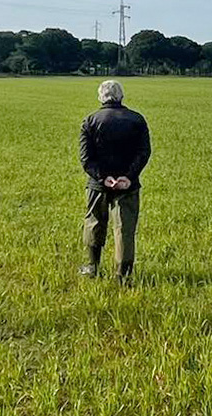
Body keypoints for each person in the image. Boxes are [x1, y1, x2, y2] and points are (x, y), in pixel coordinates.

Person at [79, 80, 151, 281]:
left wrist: (103, 178)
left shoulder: (90, 121)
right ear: (121, 97)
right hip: (128, 184)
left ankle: (92, 267)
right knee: (125, 229)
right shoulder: (137, 120)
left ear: (101, 97)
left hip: (97, 184)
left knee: (94, 223)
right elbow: (144, 152)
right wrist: (128, 177)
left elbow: (86, 158)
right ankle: (123, 275)